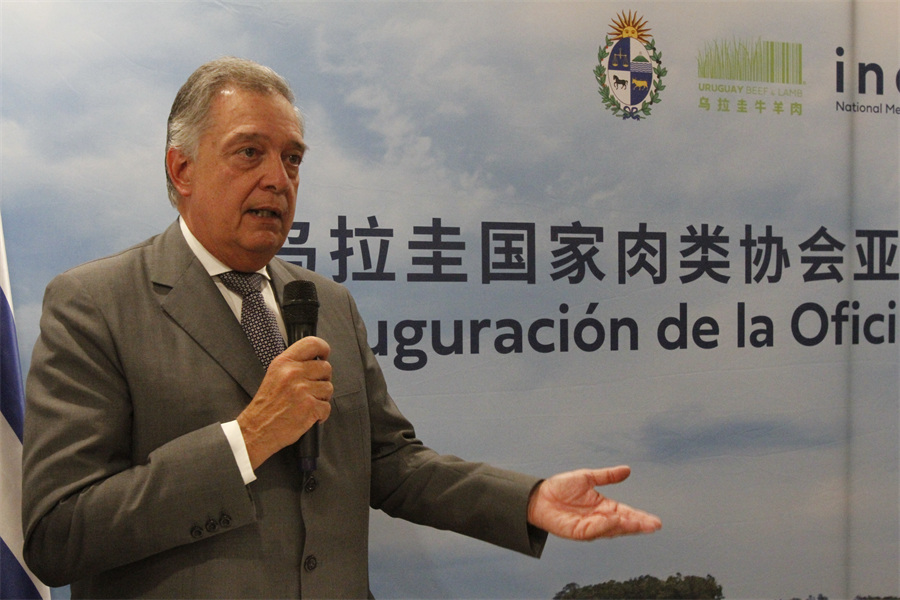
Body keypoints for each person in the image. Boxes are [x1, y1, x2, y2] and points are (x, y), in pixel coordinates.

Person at [21, 57, 661, 599]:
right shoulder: (95, 304)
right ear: (181, 169)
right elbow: (58, 533)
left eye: (292, 159)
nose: (278, 178)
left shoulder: (324, 302)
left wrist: (526, 499)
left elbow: (392, 463)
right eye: (250, 153)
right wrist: (244, 441)